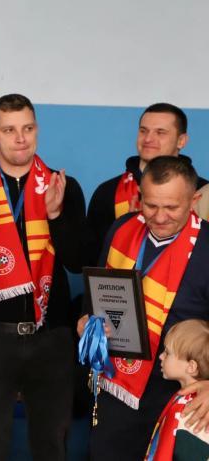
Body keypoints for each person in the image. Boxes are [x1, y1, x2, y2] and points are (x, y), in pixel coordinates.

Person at [0, 94, 95, 461]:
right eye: (9, 130)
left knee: (51, 446)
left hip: (51, 336)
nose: (20, 138)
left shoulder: (62, 186)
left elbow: (78, 262)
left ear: (37, 130)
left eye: (27, 128)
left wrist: (56, 217)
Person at [77, 155, 209, 461]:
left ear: (194, 200)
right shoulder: (122, 229)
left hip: (180, 391)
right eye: (151, 205)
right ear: (140, 197)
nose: (159, 217)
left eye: (171, 207)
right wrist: (87, 324)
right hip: (117, 382)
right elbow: (96, 294)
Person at [87, 103, 207, 249]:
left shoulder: (203, 191)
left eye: (160, 132)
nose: (148, 139)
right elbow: (93, 257)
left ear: (181, 141)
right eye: (143, 131)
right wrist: (128, 230)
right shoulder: (107, 191)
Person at [145, 319, 209, 460]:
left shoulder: (194, 412)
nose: (161, 356)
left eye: (167, 353)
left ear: (191, 367)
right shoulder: (182, 399)